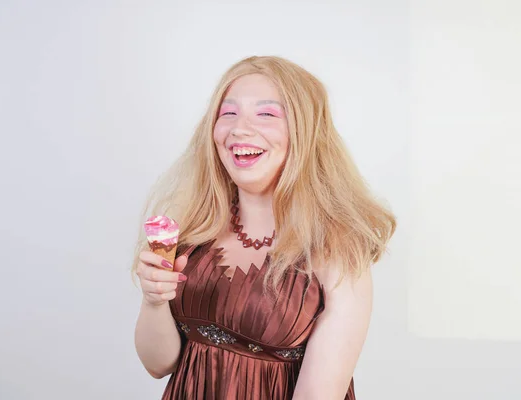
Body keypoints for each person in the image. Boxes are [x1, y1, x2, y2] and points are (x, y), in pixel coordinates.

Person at [132, 55, 396, 399]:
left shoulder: (337, 250)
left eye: (267, 114)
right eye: (228, 113)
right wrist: (154, 300)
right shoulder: (195, 231)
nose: (240, 128)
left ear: (304, 133)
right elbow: (159, 364)